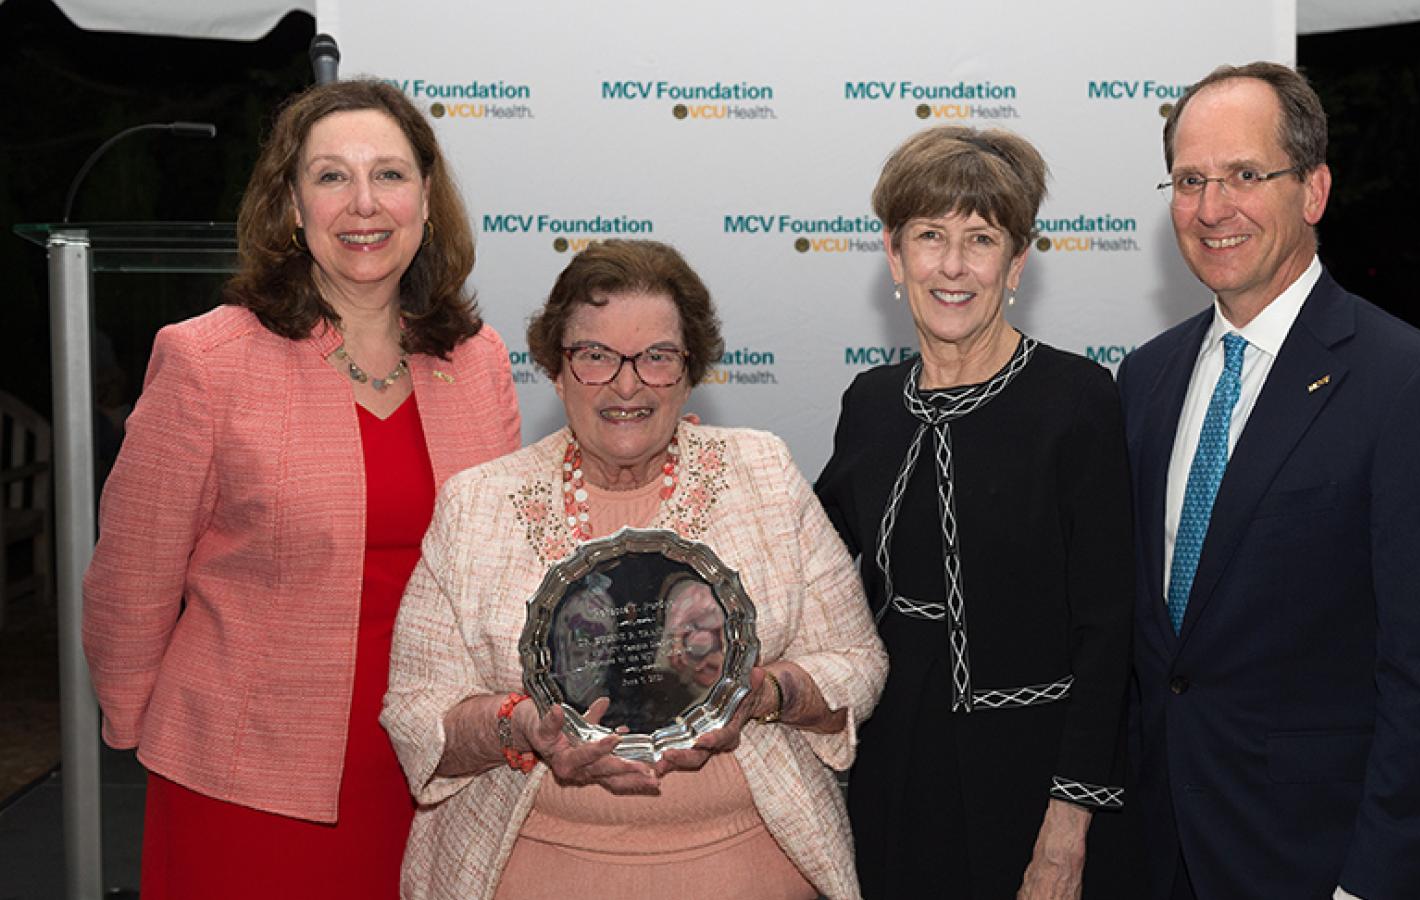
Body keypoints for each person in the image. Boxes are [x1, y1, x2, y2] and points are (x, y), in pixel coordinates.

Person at [80, 79, 522, 899]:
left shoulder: (479, 360)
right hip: (245, 776)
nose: (364, 203)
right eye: (331, 177)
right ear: (291, 204)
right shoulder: (206, 359)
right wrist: (138, 725)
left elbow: (507, 567)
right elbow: (131, 579)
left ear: (427, 200)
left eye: (389, 175)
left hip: (440, 765)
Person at [380, 239, 888, 900]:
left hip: (746, 869)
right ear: (557, 371)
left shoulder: (763, 473)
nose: (627, 384)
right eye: (595, 356)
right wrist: (522, 727)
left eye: (656, 357)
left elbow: (857, 661)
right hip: (542, 872)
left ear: (689, 370)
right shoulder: (478, 504)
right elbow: (417, 714)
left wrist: (765, 692)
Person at [1117, 62, 1420, 899]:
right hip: (1163, 858)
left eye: (1244, 176)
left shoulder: (1418, 390)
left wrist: (1371, 885)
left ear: (1314, 190)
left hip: (1327, 867)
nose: (1212, 208)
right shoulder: (1145, 380)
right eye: (1190, 180)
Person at [814, 126, 1136, 899]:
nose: (952, 266)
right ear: (894, 256)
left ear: (1016, 264)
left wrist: (1069, 823)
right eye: (930, 236)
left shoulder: (1077, 401)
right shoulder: (869, 404)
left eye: (980, 239)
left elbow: (1109, 631)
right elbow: (805, 558)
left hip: (1035, 779)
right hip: (894, 765)